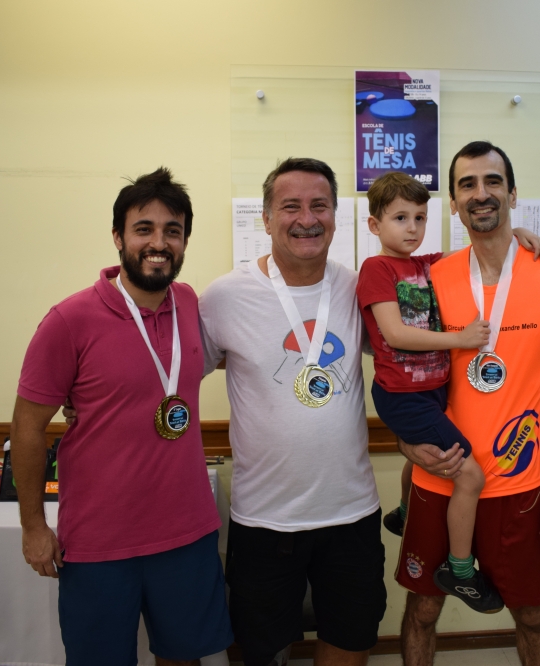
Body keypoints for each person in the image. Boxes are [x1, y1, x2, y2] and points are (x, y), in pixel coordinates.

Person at [10, 168, 232, 666]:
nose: (159, 243)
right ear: (117, 236)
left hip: (187, 532)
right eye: (143, 229)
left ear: (185, 240)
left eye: (172, 231)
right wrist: (33, 526)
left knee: (185, 658)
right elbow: (26, 427)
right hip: (99, 542)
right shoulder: (69, 320)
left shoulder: (189, 303)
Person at [395, 142, 540, 666]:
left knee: (531, 614)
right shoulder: (430, 277)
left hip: (518, 482)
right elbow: (400, 370)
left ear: (512, 193)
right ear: (453, 202)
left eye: (492, 181)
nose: (480, 193)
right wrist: (404, 442)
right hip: (440, 474)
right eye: (467, 184)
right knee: (422, 609)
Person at [198, 158, 385, 666]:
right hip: (264, 518)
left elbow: (421, 333)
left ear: (335, 216)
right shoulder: (224, 297)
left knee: (350, 642)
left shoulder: (359, 289)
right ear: (265, 218)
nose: (307, 218)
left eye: (319, 205)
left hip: (350, 512)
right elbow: (174, 373)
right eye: (290, 207)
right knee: (261, 649)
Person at [356, 172, 540, 614]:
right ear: (374, 225)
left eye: (420, 217)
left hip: (430, 390)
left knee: (424, 457)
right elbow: (395, 333)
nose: (412, 227)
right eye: (400, 218)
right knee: (469, 476)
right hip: (403, 395)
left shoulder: (425, 265)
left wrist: (517, 233)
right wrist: (460, 340)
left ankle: (404, 511)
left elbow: (483, 246)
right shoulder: (376, 269)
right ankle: (459, 570)